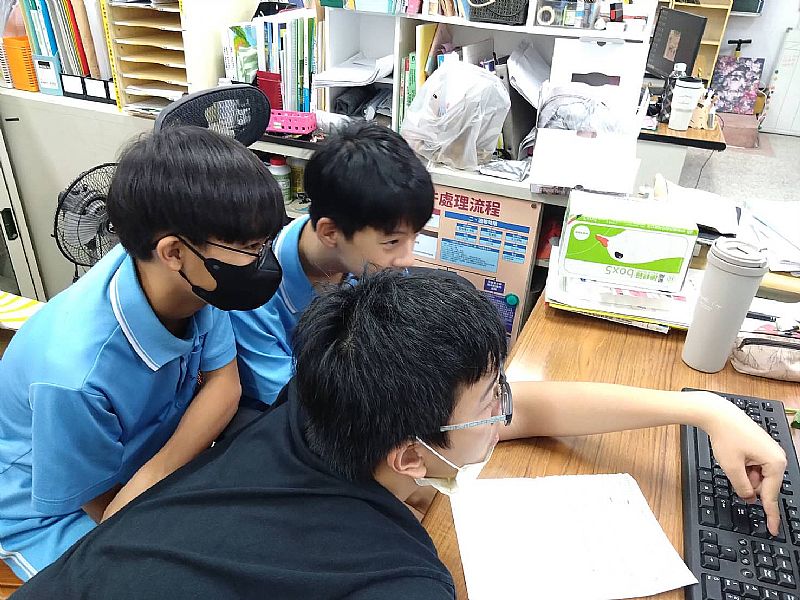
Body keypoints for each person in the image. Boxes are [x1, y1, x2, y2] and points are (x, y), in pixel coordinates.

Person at [13, 271, 786, 599]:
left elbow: (535, 409)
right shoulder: (395, 578)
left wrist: (704, 410)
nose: (507, 405)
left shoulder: (319, 404)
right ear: (412, 455)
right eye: (492, 396)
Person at [0, 126, 285, 580]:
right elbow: (103, 508)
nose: (264, 260)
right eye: (250, 248)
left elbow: (224, 384)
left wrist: (161, 473)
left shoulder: (191, 283)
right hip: (52, 512)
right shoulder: (75, 376)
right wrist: (167, 503)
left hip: (147, 466)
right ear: (173, 251)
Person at [230, 121, 434, 408]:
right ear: (330, 233)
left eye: (415, 237)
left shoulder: (370, 261)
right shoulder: (252, 300)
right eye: (392, 242)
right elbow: (294, 405)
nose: (408, 259)